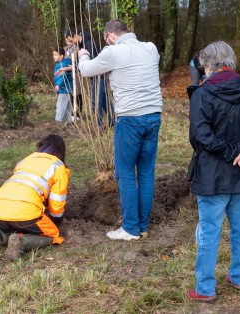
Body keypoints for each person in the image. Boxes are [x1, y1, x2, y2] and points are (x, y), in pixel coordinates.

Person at [187, 41, 240, 302]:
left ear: (208, 65)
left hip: (214, 174)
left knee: (210, 230)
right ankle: (238, 276)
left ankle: (205, 288)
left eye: (203, 65)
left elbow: (199, 136)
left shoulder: (202, 95)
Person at [77, 20, 163, 241]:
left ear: (111, 35)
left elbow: (86, 71)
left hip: (131, 119)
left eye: (106, 39)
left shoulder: (113, 51)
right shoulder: (151, 48)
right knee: (145, 173)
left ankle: (131, 229)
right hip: (154, 117)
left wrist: (83, 55)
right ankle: (143, 226)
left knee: (125, 174)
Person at [0, 134, 70, 260]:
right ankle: (21, 243)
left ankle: (5, 237)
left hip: (1, 209)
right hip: (25, 213)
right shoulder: (58, 166)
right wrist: (56, 222)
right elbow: (57, 203)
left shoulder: (25, 160)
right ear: (61, 151)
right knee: (54, 235)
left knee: (8, 225)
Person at [65, 28, 113, 126]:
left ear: (76, 36)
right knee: (104, 101)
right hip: (99, 76)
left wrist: (78, 67)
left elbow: (91, 61)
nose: (72, 43)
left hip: (98, 76)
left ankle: (98, 125)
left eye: (71, 40)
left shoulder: (89, 44)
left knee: (96, 102)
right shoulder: (84, 44)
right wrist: (76, 66)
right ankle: (112, 120)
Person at [52, 47, 73, 125]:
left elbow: (63, 76)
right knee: (67, 106)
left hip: (64, 88)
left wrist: (58, 84)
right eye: (53, 55)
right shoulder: (65, 63)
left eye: (56, 55)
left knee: (60, 105)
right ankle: (69, 122)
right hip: (68, 88)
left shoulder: (61, 65)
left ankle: (58, 122)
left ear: (61, 56)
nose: (54, 56)